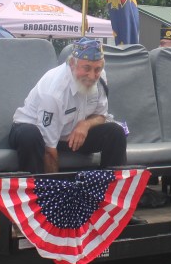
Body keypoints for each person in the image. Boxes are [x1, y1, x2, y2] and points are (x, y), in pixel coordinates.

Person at [9, 37, 128, 175]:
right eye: (86, 68)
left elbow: (101, 116)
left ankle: (110, 186)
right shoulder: (54, 91)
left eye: (97, 69)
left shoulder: (100, 77)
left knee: (115, 133)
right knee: (30, 136)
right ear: (72, 64)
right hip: (36, 133)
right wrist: (59, 185)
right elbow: (49, 150)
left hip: (70, 136)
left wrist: (85, 124)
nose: (92, 76)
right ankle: (40, 188)